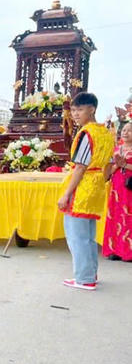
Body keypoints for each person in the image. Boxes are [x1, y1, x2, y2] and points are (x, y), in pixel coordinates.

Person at [58, 91, 115, 291]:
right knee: (88, 236)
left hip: (82, 188)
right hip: (97, 186)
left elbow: (80, 167)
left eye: (80, 110)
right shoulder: (106, 133)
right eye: (73, 110)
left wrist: (66, 194)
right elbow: (109, 165)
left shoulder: (86, 133)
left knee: (77, 236)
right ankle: (90, 273)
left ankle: (84, 278)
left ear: (92, 109)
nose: (75, 114)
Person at [102, 119, 132, 261]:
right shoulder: (116, 149)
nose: (126, 133)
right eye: (124, 130)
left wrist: (125, 165)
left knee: (128, 216)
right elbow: (110, 171)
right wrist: (116, 165)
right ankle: (115, 250)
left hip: (130, 188)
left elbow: (125, 165)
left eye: (130, 130)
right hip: (117, 188)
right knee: (115, 214)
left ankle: (128, 251)